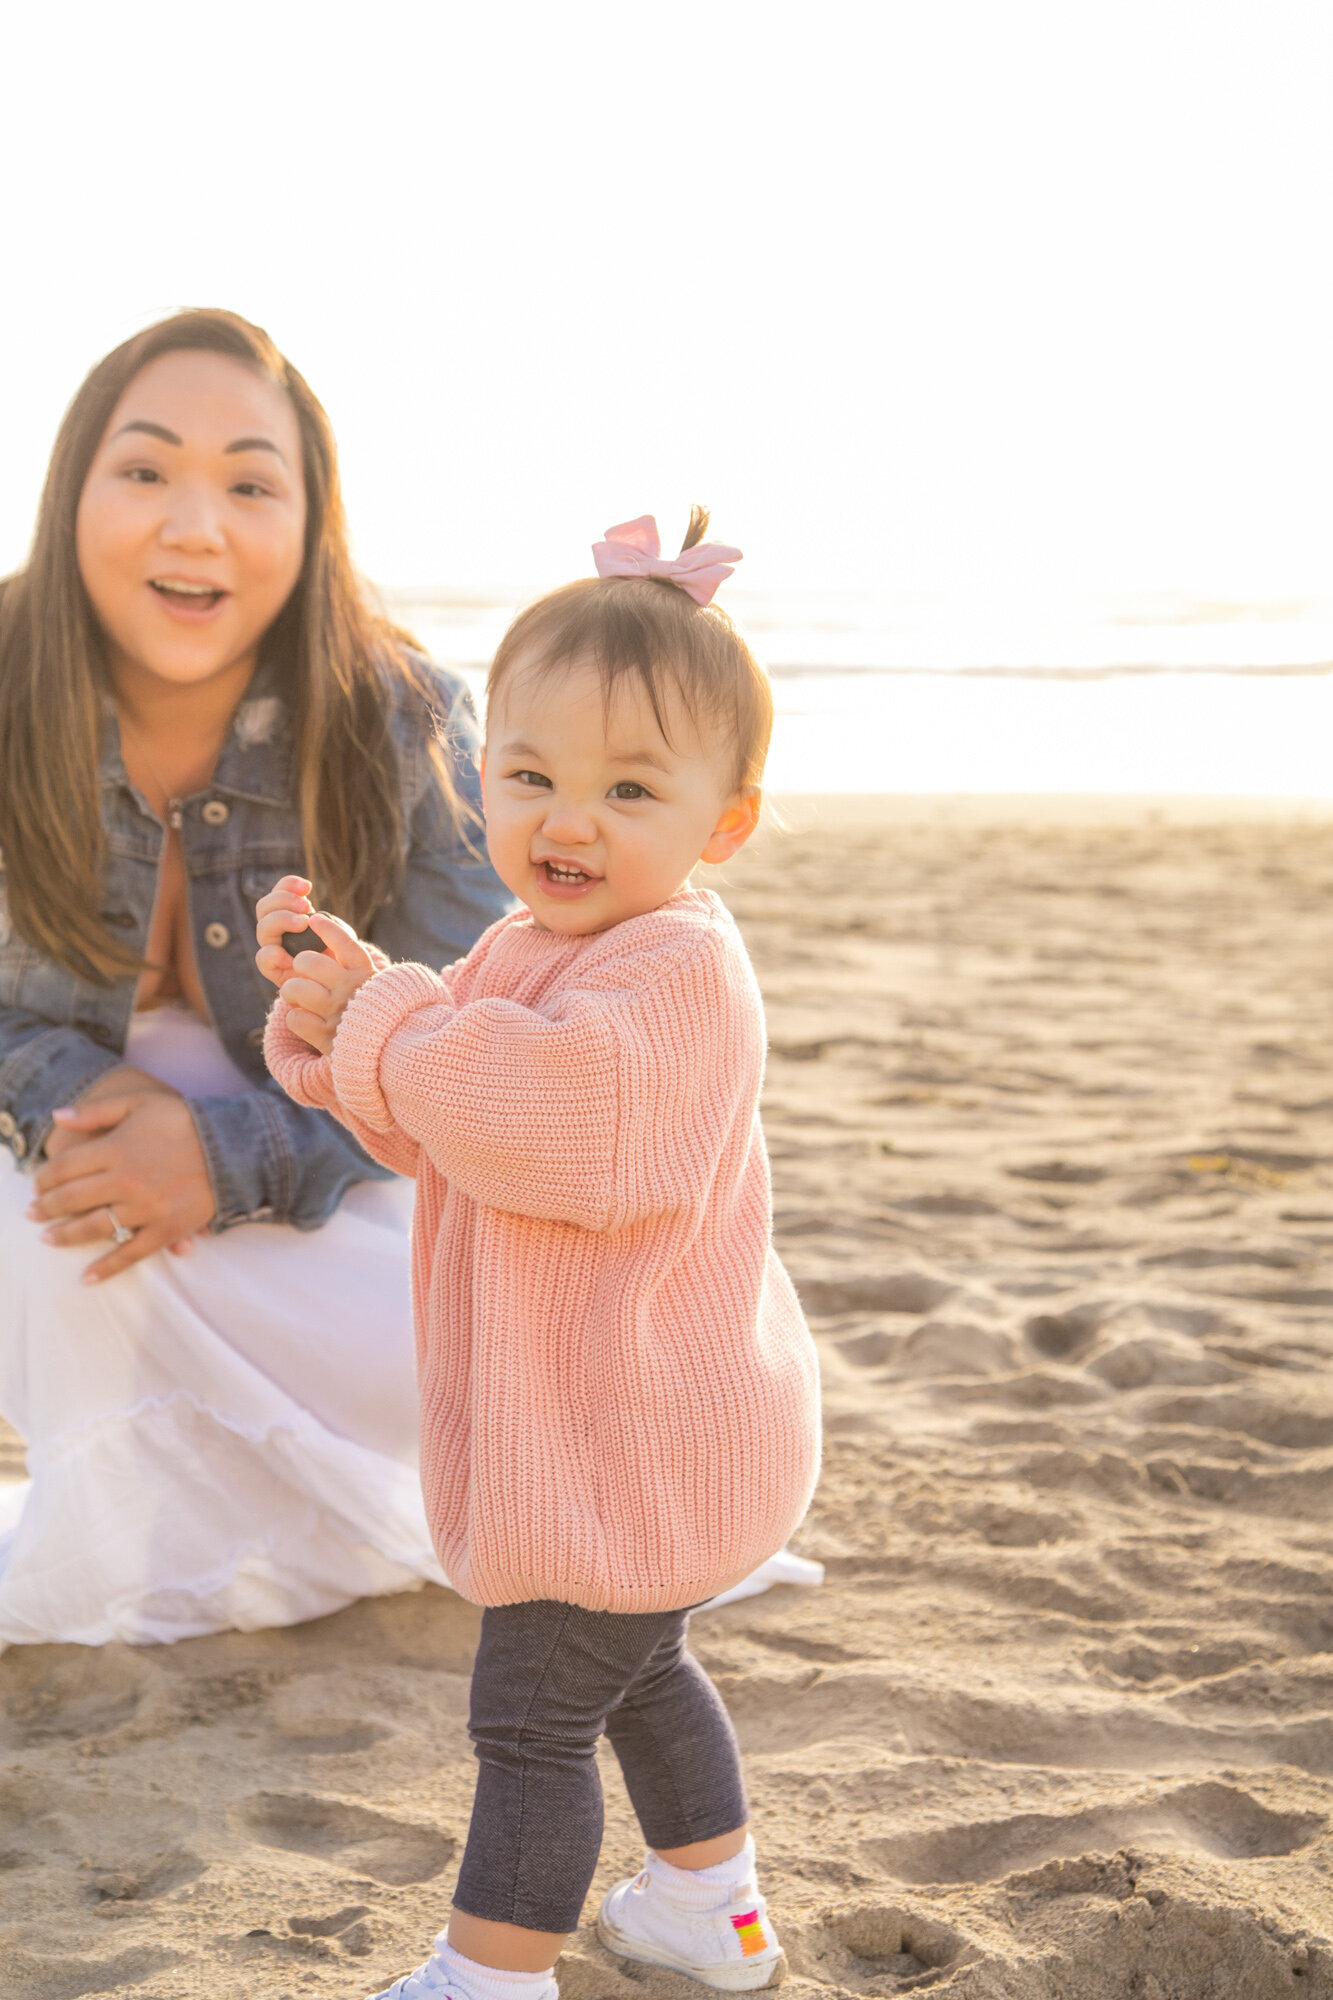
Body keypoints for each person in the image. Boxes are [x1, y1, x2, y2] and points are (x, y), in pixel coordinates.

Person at [256, 510, 822, 2000]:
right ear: (477, 773)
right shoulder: (524, 949)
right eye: (529, 777)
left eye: (628, 788)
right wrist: (346, 1018)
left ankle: (488, 1978)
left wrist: (398, 1027)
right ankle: (717, 1917)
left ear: (724, 821)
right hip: (611, 1431)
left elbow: (553, 1122)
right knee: (638, 1679)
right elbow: (456, 1130)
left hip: (623, 1436)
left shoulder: (678, 969)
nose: (566, 822)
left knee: (529, 1724)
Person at [0, 308, 514, 1646]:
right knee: (58, 1239)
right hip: (63, 1162)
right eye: (147, 469)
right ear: (72, 496)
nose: (195, 526)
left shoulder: (402, 722)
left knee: (484, 1376)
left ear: (309, 520)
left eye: (248, 483)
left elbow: (477, 1037)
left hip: (335, 1175)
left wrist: (222, 1158)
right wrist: (92, 1112)